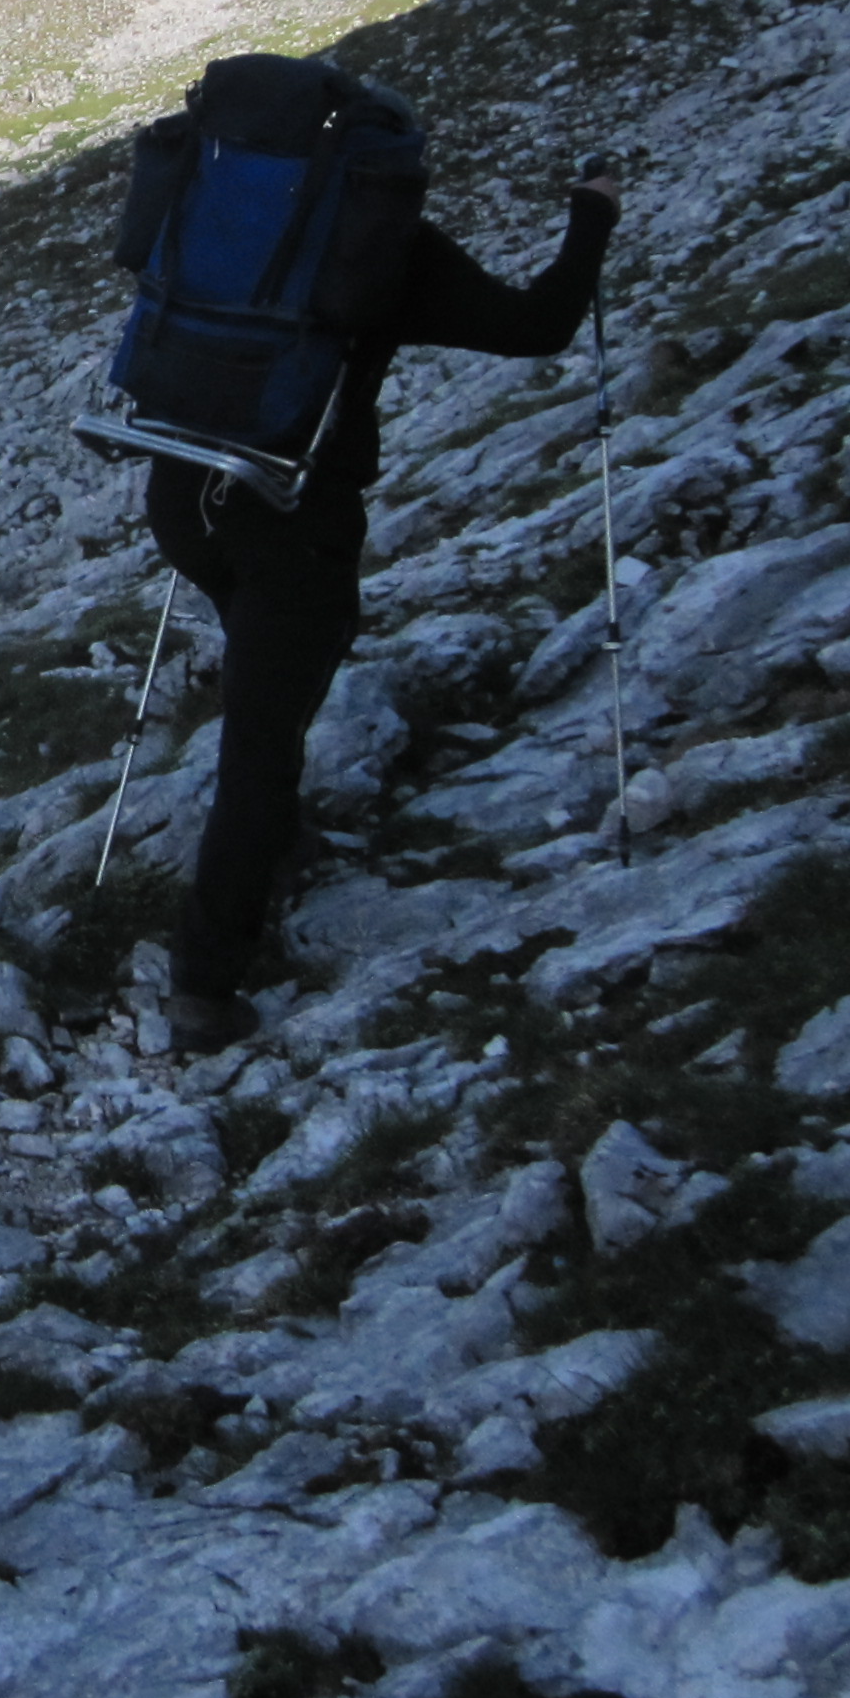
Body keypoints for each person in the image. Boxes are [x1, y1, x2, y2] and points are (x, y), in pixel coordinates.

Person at [144, 149, 619, 1053]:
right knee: (261, 737)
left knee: (264, 675)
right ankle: (203, 988)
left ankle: (272, 842)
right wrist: (592, 215)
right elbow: (537, 325)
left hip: (183, 492)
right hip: (292, 511)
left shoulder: (225, 223)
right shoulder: (385, 244)